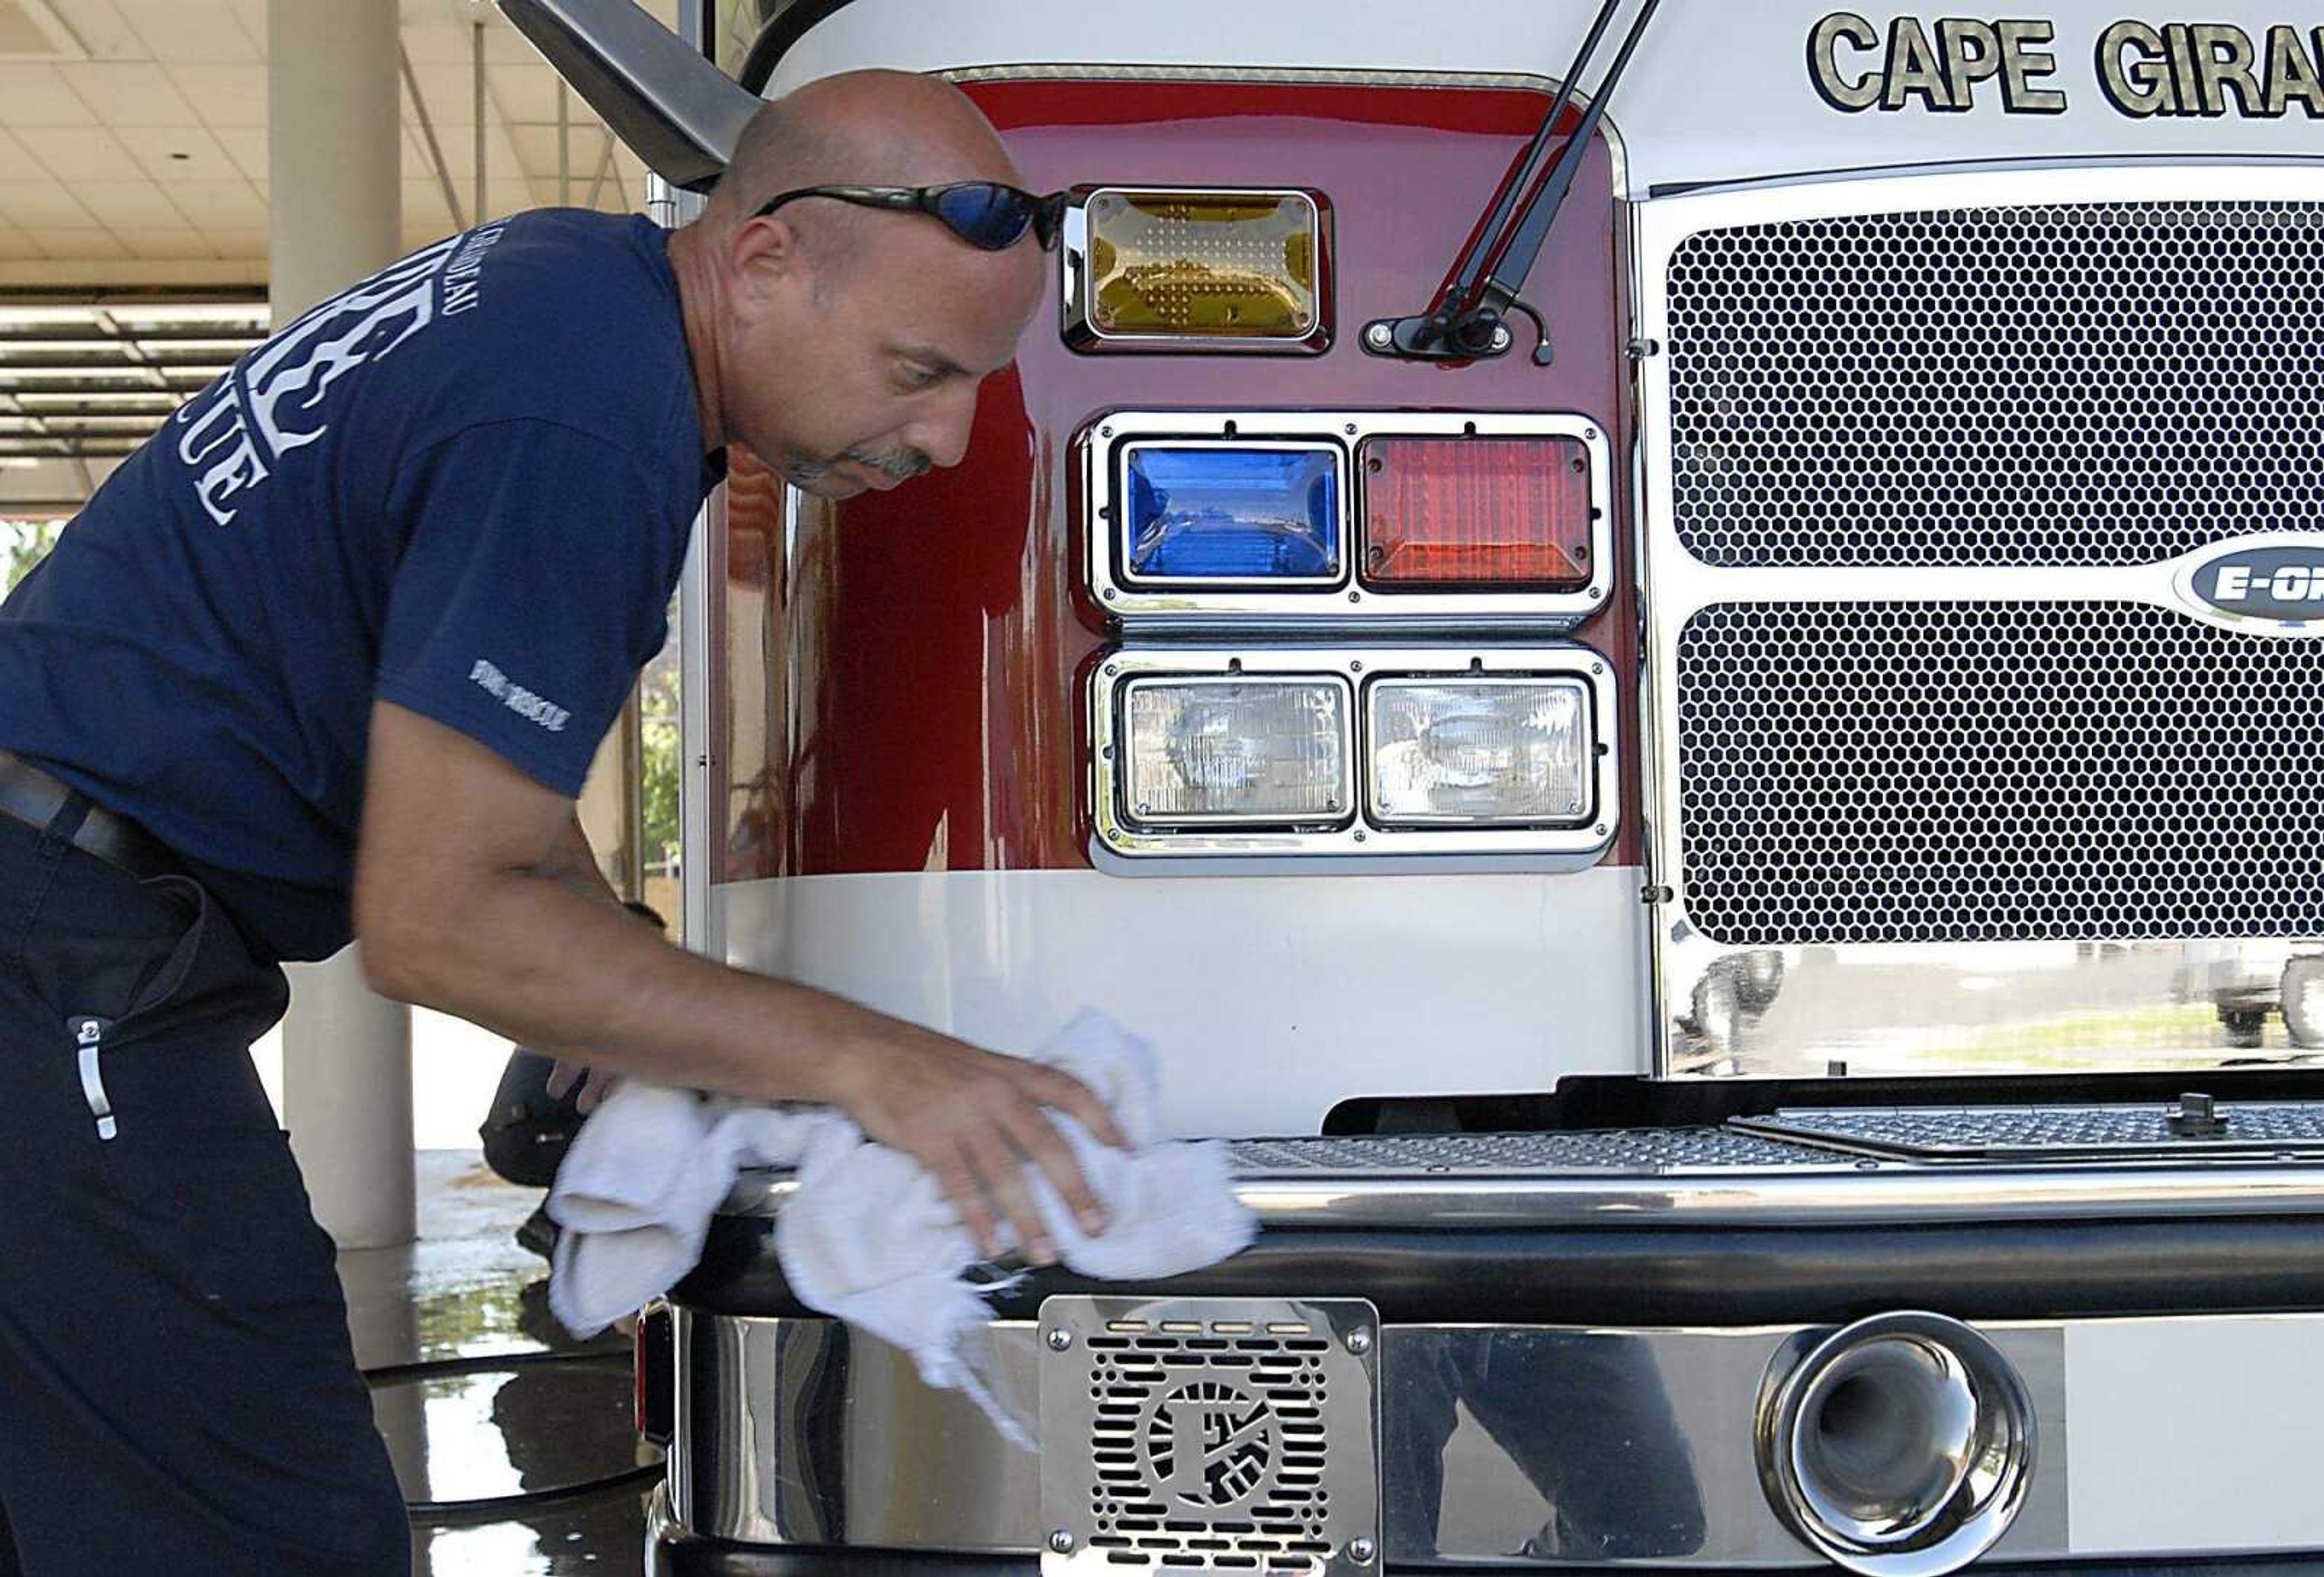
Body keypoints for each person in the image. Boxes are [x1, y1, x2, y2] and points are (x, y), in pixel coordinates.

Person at [0, 69, 1120, 1576]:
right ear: (765, 259)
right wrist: (881, 1062)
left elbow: (479, 788)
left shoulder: (560, 288)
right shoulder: (586, 412)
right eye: (919, 369)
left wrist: (614, 975)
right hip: (52, 950)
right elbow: (439, 913)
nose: (949, 439)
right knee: (263, 1530)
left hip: (56, 914)